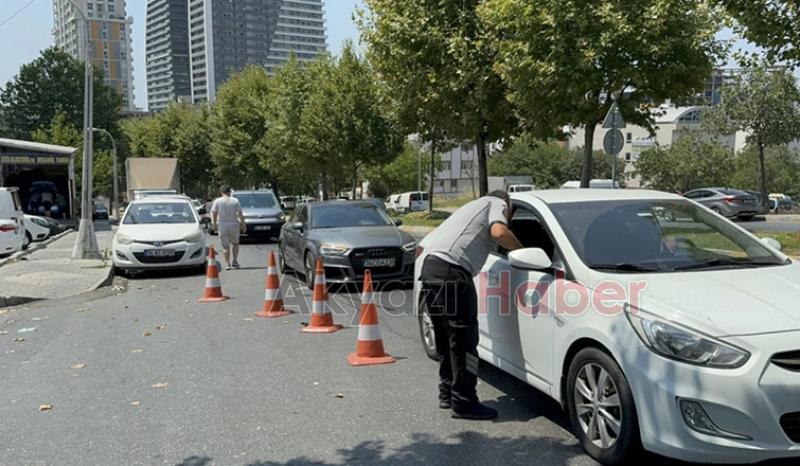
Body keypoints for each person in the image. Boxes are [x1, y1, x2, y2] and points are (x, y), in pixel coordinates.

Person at [420, 190, 524, 420]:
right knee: (465, 340)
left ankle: (447, 393)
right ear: (507, 206)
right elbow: (498, 231)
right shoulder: (497, 203)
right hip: (452, 273)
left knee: (448, 339)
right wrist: (521, 250)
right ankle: (464, 402)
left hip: (431, 268)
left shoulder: (472, 206)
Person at [210, 186, 246, 270]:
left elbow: (214, 213)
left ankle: (227, 264)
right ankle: (235, 261)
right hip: (233, 224)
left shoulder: (217, 201)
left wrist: (214, 224)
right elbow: (240, 213)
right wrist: (243, 224)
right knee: (235, 244)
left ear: (221, 192)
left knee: (225, 247)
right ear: (229, 192)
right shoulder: (235, 200)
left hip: (222, 225)